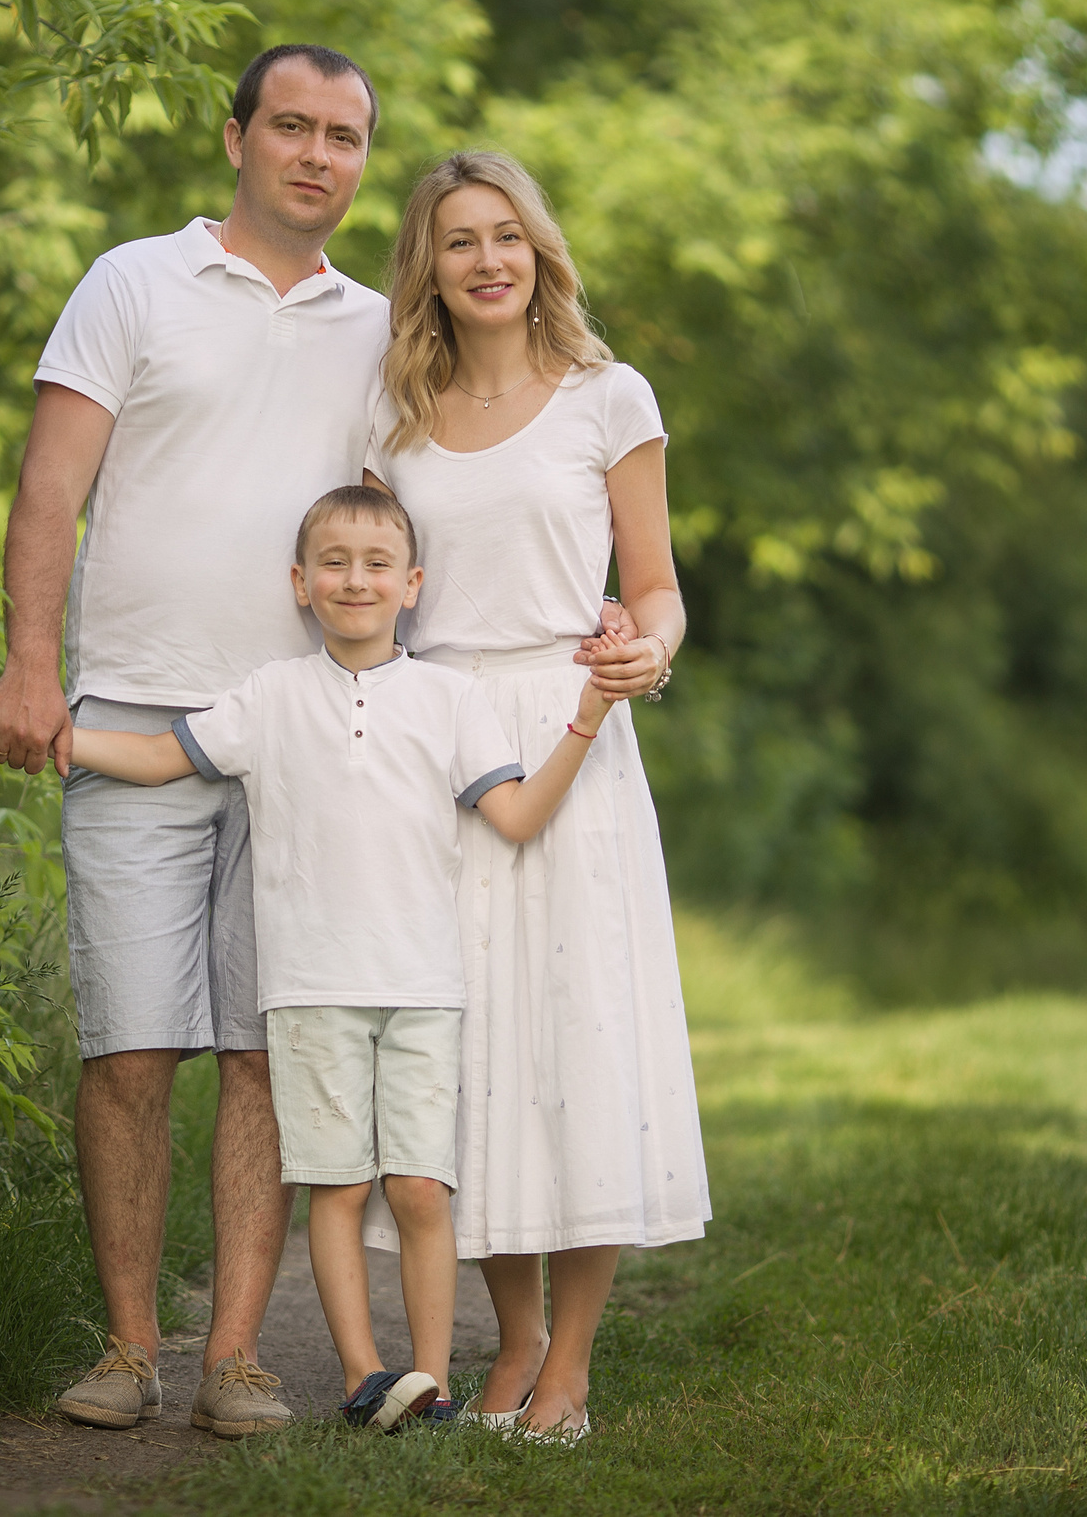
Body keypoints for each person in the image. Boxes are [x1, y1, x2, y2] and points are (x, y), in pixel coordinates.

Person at [0, 486, 612, 1431]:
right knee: (340, 1186)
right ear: (301, 584)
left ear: (413, 584)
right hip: (310, 990)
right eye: (336, 562)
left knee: (422, 1188)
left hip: (425, 989)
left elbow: (514, 814)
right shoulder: (270, 696)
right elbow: (160, 757)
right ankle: (366, 1377)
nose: (357, 578)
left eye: (378, 563)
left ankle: (427, 1381)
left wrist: (587, 718)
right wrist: (56, 738)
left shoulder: (449, 698)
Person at [0, 45, 387, 1438]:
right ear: (237, 136)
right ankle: (129, 1344)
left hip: (306, 742)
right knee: (131, 1047)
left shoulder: (385, 329)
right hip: (131, 714)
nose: (317, 154)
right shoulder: (131, 280)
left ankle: (237, 1357)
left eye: (343, 135)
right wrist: (36, 666)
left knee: (269, 1050)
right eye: (293, 126)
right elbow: (51, 486)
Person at [363, 150, 713, 1443]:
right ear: (430, 268)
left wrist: (650, 649)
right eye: (459, 240)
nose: (488, 259)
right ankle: (507, 1340)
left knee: (579, 1035)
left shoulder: (606, 399)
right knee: (475, 1055)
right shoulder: (393, 418)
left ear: (540, 251)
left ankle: (570, 1360)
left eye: (507, 235)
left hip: (576, 733)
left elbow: (658, 582)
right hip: (444, 742)